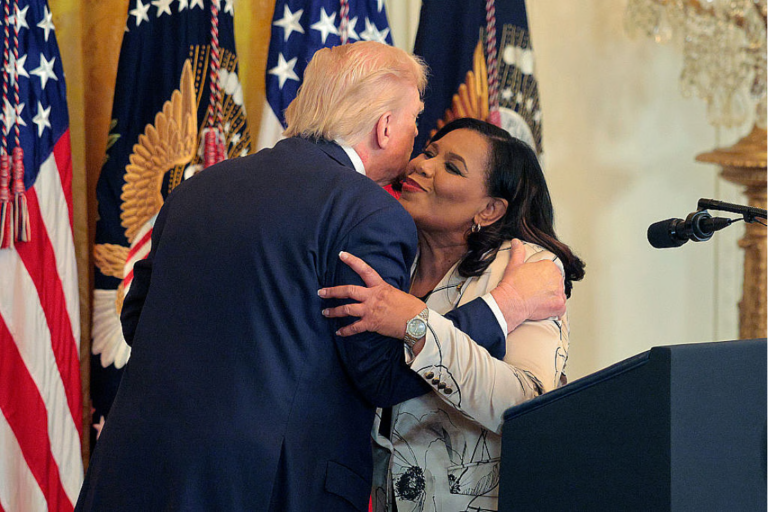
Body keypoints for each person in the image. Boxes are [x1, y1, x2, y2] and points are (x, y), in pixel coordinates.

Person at [75, 43, 566, 512]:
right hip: (268, 488)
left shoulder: (199, 188)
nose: (418, 147)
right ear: (386, 126)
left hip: (134, 472)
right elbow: (381, 375)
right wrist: (503, 308)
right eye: (417, 123)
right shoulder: (369, 212)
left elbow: (138, 317)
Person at [320, 117, 585, 511]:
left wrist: (418, 325)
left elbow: (527, 404)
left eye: (451, 166)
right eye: (429, 152)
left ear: (490, 209)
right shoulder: (392, 264)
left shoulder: (524, 266)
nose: (422, 165)